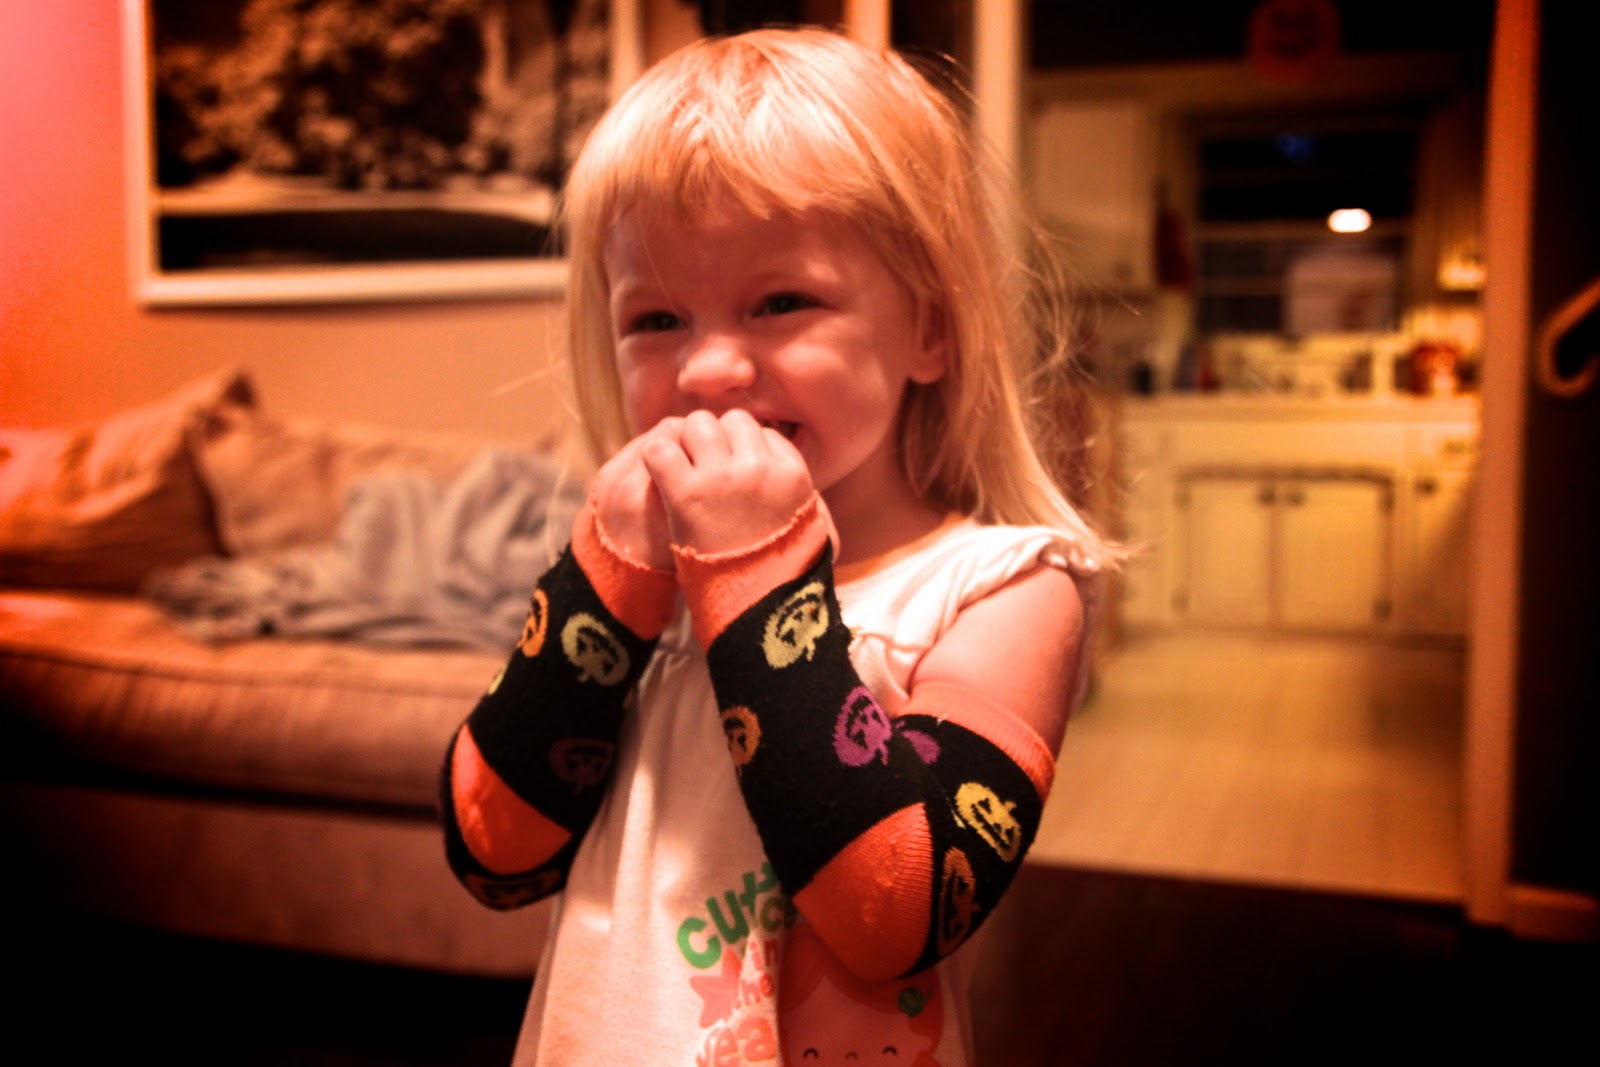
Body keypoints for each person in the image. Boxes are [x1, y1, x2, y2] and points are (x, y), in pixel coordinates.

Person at [439, 26, 1120, 1065]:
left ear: (930, 329)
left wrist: (754, 574)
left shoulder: (1004, 592)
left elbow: (898, 911)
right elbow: (494, 854)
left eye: (781, 302)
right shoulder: (637, 585)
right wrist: (603, 586)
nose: (708, 370)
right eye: (656, 318)